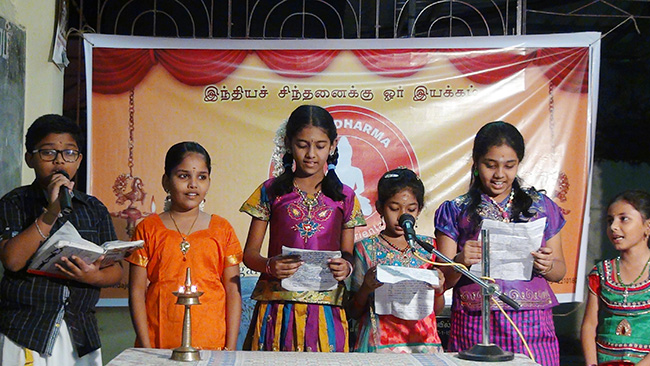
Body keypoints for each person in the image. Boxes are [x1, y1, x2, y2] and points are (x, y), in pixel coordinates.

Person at [434, 121, 566, 366]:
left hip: (533, 324)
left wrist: (547, 264)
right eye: (490, 165)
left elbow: (560, 272)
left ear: (519, 164)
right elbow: (442, 282)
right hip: (475, 323)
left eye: (509, 166)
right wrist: (460, 261)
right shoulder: (455, 210)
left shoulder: (541, 207)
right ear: (476, 161)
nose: (499, 175)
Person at [240, 104, 366, 352]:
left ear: (333, 146)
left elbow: (347, 253)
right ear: (289, 144)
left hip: (326, 309)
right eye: (302, 144)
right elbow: (249, 254)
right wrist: (269, 265)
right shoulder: (271, 191)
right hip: (278, 309)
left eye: (320, 146)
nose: (311, 154)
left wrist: (347, 266)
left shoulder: (345, 197)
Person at [0, 114, 123, 366]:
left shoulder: (93, 207)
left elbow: (116, 271)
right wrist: (51, 211)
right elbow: (12, 261)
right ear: (29, 159)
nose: (59, 161)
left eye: (69, 153)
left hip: (80, 336)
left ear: (78, 161)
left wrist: (93, 276)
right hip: (25, 332)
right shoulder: (14, 202)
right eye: (48, 153)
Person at [127, 141, 242, 350]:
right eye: (183, 176)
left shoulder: (222, 229)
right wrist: (145, 347)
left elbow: (233, 293)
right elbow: (136, 291)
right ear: (166, 181)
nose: (193, 184)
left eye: (201, 177)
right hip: (159, 344)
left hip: (211, 342)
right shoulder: (148, 229)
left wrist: (230, 348)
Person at [348, 168, 445, 353]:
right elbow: (352, 311)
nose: (402, 216)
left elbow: (437, 310)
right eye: (394, 208)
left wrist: (439, 289)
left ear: (419, 209)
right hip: (380, 347)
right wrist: (366, 287)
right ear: (379, 208)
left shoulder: (429, 248)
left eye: (411, 209)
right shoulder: (366, 248)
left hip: (424, 347)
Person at [581, 190, 650, 366]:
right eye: (610, 220)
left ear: (647, 227)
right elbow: (589, 326)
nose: (613, 227)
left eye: (623, 219)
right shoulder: (601, 272)